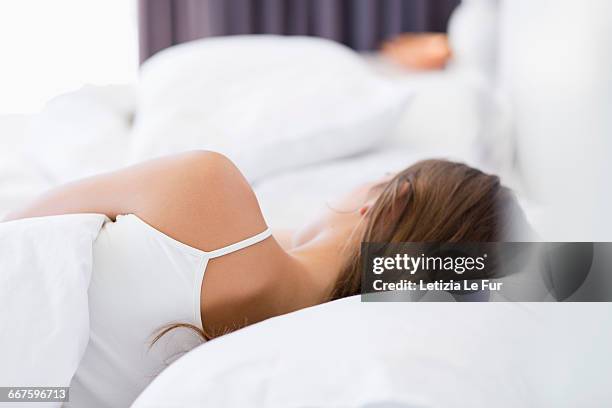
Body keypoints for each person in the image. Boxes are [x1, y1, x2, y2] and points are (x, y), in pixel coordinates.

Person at [4, 151, 527, 407]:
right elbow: (586, 274)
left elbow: (27, 221)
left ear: (389, 204)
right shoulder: (304, 340)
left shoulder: (209, 189)